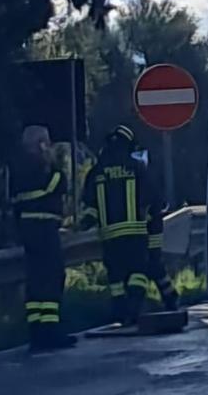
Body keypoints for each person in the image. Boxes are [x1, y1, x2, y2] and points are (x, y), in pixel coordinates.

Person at [81, 125, 155, 325]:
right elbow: (150, 197)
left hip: (110, 236)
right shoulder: (137, 167)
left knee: (116, 276)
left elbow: (89, 205)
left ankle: (120, 311)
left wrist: (83, 225)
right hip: (135, 234)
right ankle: (134, 306)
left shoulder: (96, 171)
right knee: (138, 272)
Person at [11, 125, 75, 353]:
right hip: (44, 228)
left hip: (27, 230)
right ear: (40, 144)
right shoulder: (45, 168)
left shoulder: (17, 168)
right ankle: (51, 332)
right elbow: (60, 184)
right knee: (51, 278)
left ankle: (37, 333)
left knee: (36, 281)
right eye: (46, 142)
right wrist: (54, 160)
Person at [145, 198, 180, 312]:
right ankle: (170, 296)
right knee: (155, 266)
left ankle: (170, 296)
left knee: (154, 265)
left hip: (151, 228)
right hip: (150, 227)